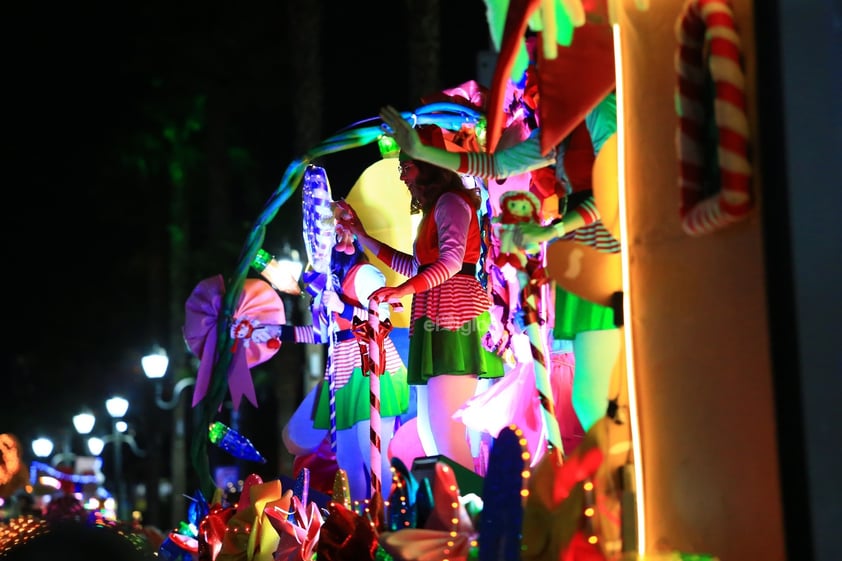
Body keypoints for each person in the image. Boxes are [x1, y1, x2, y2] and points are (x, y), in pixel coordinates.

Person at [379, 92, 622, 434]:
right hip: (576, 258)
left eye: (409, 167)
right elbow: (498, 165)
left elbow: (615, 185)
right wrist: (422, 151)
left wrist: (552, 229)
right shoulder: (561, 126)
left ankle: (623, 477)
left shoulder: (599, 108)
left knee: (594, 396)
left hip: (606, 252)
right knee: (590, 397)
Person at [335, 133, 506, 473]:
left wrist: (402, 291)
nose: (402, 177)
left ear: (430, 165)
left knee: (447, 433)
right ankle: (456, 512)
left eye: (407, 167)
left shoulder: (452, 203)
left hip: (457, 313)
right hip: (435, 313)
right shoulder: (437, 209)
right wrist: (362, 234)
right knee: (432, 435)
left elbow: (452, 262)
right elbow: (415, 267)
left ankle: (468, 516)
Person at [252, 230, 409, 502]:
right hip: (341, 373)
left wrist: (343, 308)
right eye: (336, 237)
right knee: (347, 462)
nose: (343, 244)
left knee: (374, 453)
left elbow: (383, 321)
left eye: (348, 237)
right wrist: (278, 331)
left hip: (370, 366)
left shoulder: (364, 275)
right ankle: (360, 522)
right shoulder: (325, 283)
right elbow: (322, 334)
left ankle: (385, 521)